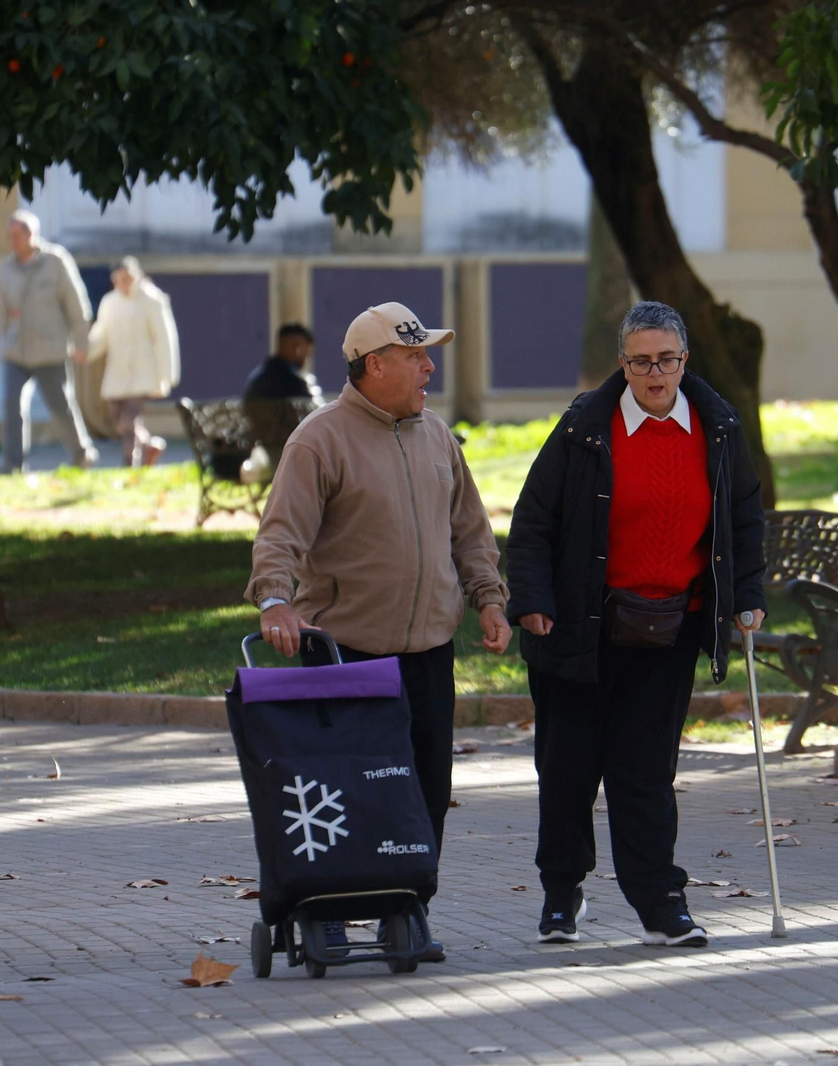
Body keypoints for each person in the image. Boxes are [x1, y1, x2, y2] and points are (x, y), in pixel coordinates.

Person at [246, 300, 512, 962]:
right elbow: (281, 533)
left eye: (428, 355)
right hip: (344, 653)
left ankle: (408, 904)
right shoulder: (320, 439)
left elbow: (470, 531)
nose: (429, 368)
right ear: (374, 366)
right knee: (344, 788)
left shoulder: (437, 437)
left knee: (423, 789)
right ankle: (329, 908)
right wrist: (275, 600)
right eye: (415, 357)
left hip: (426, 651)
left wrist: (488, 598)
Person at [506, 300, 767, 949]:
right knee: (568, 769)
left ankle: (660, 903)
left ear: (685, 361)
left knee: (646, 771)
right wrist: (531, 600)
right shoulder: (584, 429)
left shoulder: (717, 427)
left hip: (667, 628)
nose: (656, 374)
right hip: (578, 626)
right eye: (642, 362)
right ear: (622, 365)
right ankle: (561, 896)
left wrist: (748, 594)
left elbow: (743, 518)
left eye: (667, 361)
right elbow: (533, 522)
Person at [0, 208, 97, 471]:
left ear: (31, 234)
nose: (12, 241)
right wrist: (2, 341)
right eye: (9, 236)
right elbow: (4, 310)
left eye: (16, 235)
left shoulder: (55, 261)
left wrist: (81, 342)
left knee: (60, 406)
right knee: (11, 406)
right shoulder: (7, 267)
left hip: (49, 350)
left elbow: (76, 305)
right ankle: (13, 464)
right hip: (15, 350)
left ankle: (81, 454)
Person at [87, 257, 179, 467]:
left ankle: (130, 463)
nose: (123, 284)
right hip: (117, 374)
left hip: (142, 373)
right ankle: (148, 445)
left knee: (129, 422)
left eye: (127, 279)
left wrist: (167, 374)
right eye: (118, 280)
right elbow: (101, 333)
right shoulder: (110, 302)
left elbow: (164, 338)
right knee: (119, 423)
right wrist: (85, 351)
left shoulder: (151, 300)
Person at [243, 323, 322, 404]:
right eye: (306, 353)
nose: (305, 359)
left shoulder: (257, 378)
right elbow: (316, 409)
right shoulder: (298, 383)